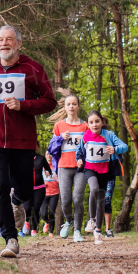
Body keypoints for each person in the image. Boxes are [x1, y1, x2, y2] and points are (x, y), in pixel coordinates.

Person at [0, 25, 56, 259]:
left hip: (23, 139)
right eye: (0, 40)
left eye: (9, 40)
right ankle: (10, 238)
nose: (4, 43)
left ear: (19, 44)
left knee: (25, 188)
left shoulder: (33, 69)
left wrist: (24, 105)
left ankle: (17, 201)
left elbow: (50, 101)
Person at [81, 110, 128, 244]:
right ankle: (92, 219)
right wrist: (79, 160)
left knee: (101, 200)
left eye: (97, 121)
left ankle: (98, 232)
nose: (94, 125)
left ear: (102, 122)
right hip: (90, 169)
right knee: (94, 189)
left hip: (104, 170)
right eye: (91, 122)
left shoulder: (109, 135)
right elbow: (79, 152)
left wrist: (115, 149)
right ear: (87, 124)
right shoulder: (86, 135)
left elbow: (124, 146)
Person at [47, 94, 89, 242]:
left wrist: (83, 142)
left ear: (78, 106)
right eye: (68, 104)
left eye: (74, 104)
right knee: (65, 200)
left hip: (80, 168)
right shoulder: (59, 125)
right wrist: (60, 138)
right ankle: (69, 221)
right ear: (65, 107)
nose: (71, 106)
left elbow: (92, 145)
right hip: (63, 167)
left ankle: (77, 230)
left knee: (77, 198)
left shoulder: (85, 126)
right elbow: (51, 146)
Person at [39, 153, 60, 234]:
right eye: (47, 154)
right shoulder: (41, 166)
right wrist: (42, 182)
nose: (49, 156)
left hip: (54, 193)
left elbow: (60, 178)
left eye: (50, 155)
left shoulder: (56, 166)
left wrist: (59, 180)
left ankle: (51, 232)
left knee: (51, 213)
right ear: (45, 156)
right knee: (43, 214)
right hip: (44, 193)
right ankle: (47, 222)